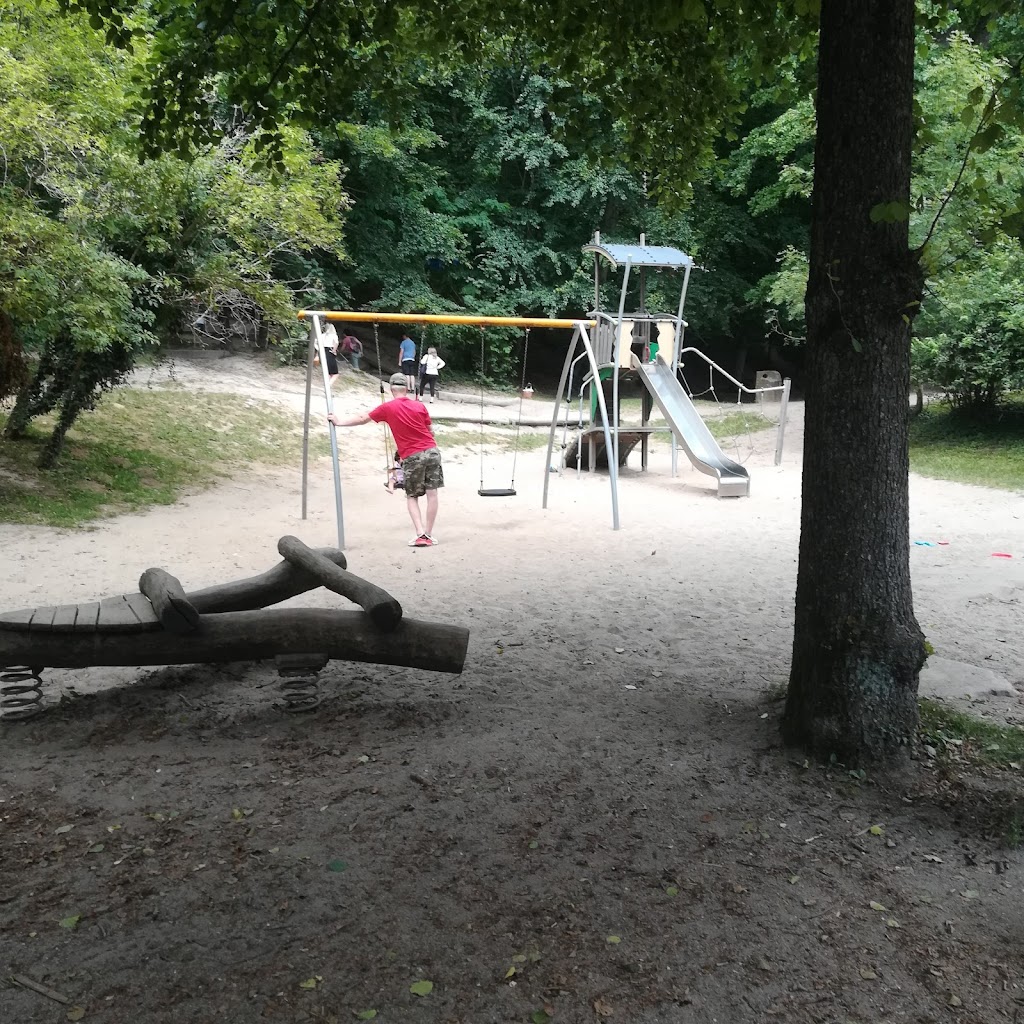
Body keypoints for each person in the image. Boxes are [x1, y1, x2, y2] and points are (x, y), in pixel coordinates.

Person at [327, 372, 443, 547]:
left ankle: (421, 534)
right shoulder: (419, 406)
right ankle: (429, 533)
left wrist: (339, 422)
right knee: (432, 493)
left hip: (412, 455)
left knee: (412, 495)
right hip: (432, 451)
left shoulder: (387, 408)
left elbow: (362, 418)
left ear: (391, 389)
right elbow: (430, 430)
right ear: (407, 388)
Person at [313, 321, 341, 389]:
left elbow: (315, 342)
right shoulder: (334, 335)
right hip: (329, 351)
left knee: (327, 372)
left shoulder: (322, 336)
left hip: (322, 351)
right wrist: (334, 350)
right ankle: (327, 386)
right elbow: (336, 343)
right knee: (335, 374)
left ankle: (326, 386)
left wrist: (319, 349)